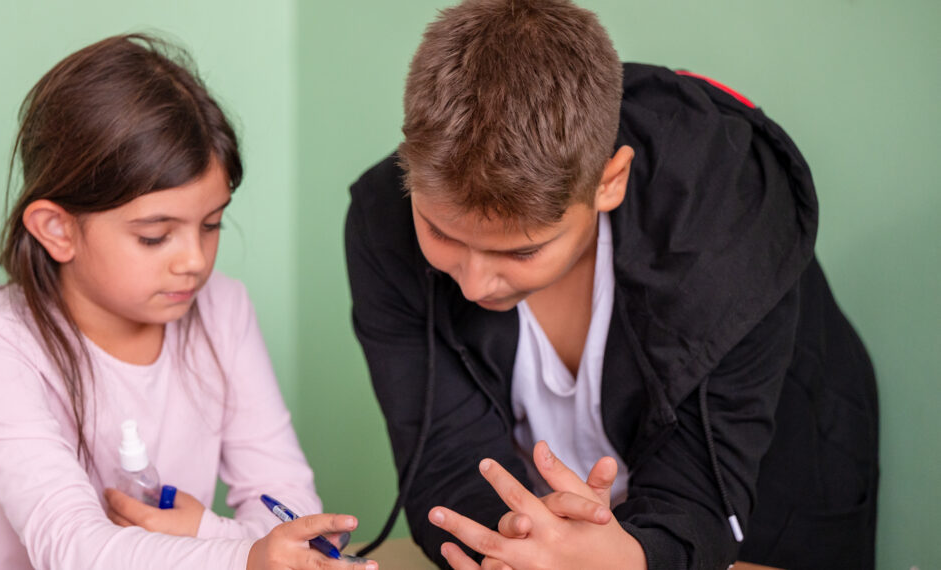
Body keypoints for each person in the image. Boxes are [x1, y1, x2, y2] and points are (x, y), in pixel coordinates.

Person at [344, 1, 878, 569]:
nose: (474, 285)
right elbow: (446, 458)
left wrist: (634, 558)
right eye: (440, 232)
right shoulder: (383, 222)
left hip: (772, 492)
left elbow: (700, 486)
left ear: (610, 181)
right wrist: (511, 548)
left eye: (521, 249)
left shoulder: (727, 213)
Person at [0, 34, 374, 570]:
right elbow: (72, 547)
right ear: (57, 229)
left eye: (211, 225)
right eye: (154, 236)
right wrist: (242, 555)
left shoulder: (222, 309)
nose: (194, 260)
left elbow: (288, 503)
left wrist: (206, 530)